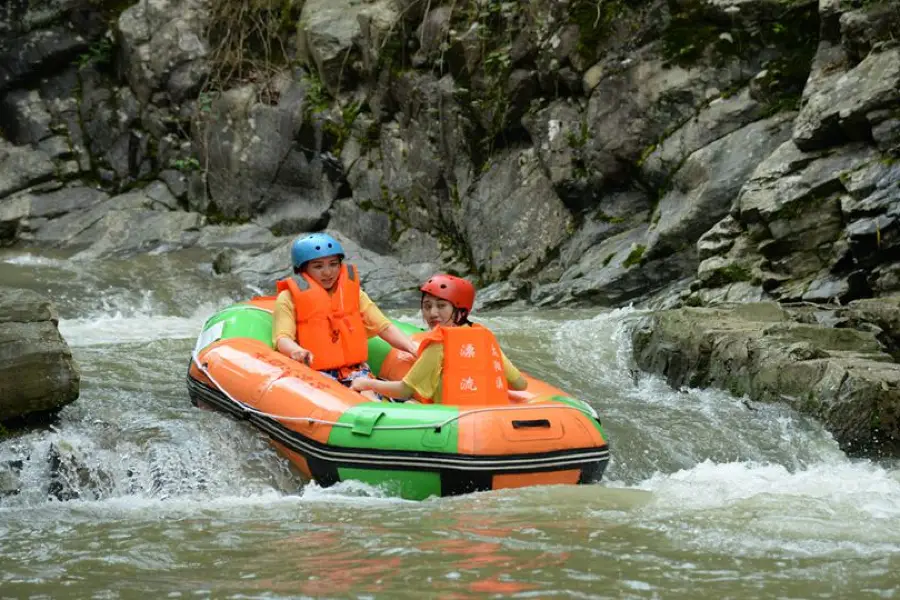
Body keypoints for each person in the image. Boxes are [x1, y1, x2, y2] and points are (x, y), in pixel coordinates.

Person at [273, 233, 418, 395]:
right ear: (302, 269)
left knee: (367, 394)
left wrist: (412, 348)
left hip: (354, 370)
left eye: (333, 264)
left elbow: (383, 327)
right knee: (343, 397)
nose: (328, 272)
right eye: (318, 266)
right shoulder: (288, 298)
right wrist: (296, 351)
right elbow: (282, 338)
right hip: (315, 372)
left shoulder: (354, 293)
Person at [351, 274, 527, 404]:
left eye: (441, 306)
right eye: (427, 306)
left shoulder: (438, 343)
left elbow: (404, 391)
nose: (432, 313)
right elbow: (520, 384)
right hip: (487, 416)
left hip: (449, 420)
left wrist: (366, 383)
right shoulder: (484, 337)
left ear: (461, 310)